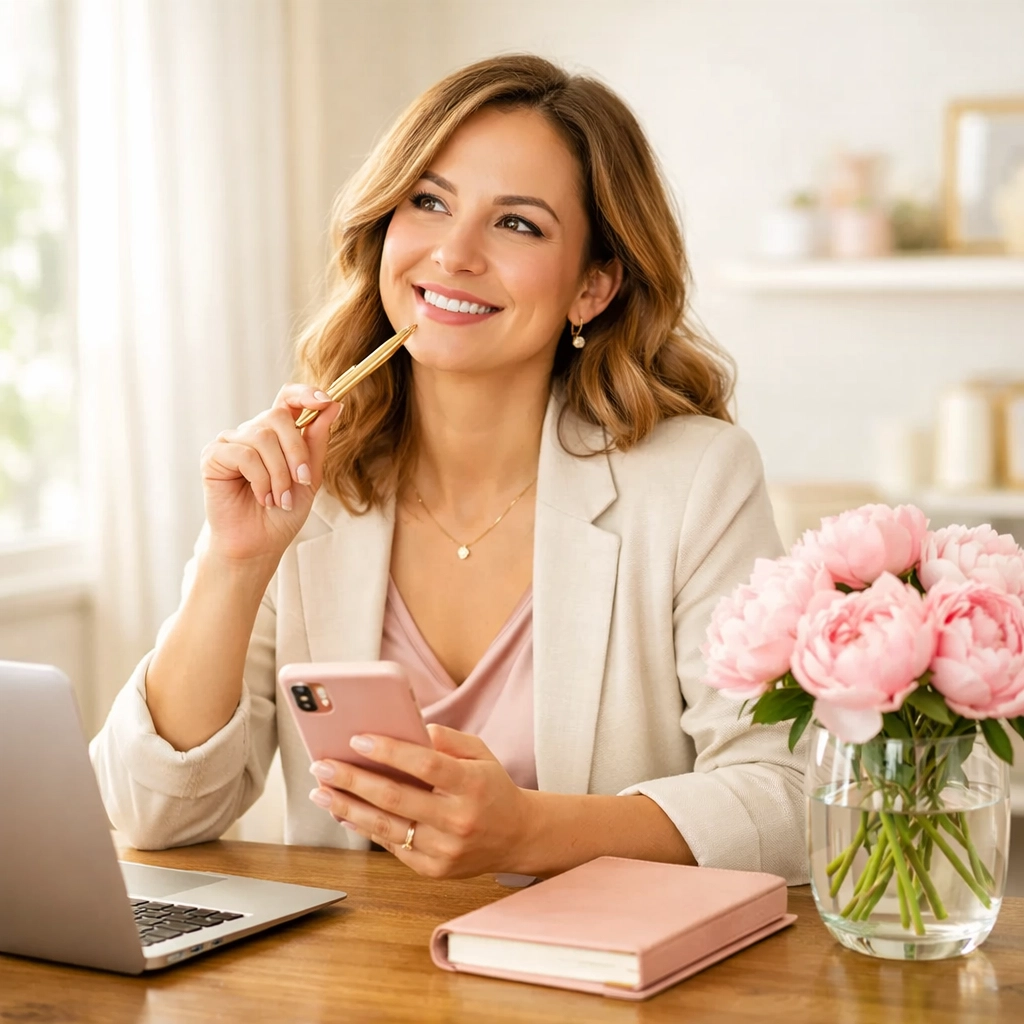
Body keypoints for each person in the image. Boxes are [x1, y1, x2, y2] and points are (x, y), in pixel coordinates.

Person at [91, 54, 805, 883]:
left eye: (518, 224)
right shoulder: (308, 480)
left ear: (594, 287)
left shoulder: (696, 482)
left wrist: (530, 831)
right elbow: (151, 812)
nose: (454, 253)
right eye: (428, 202)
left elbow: (787, 800)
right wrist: (234, 563)